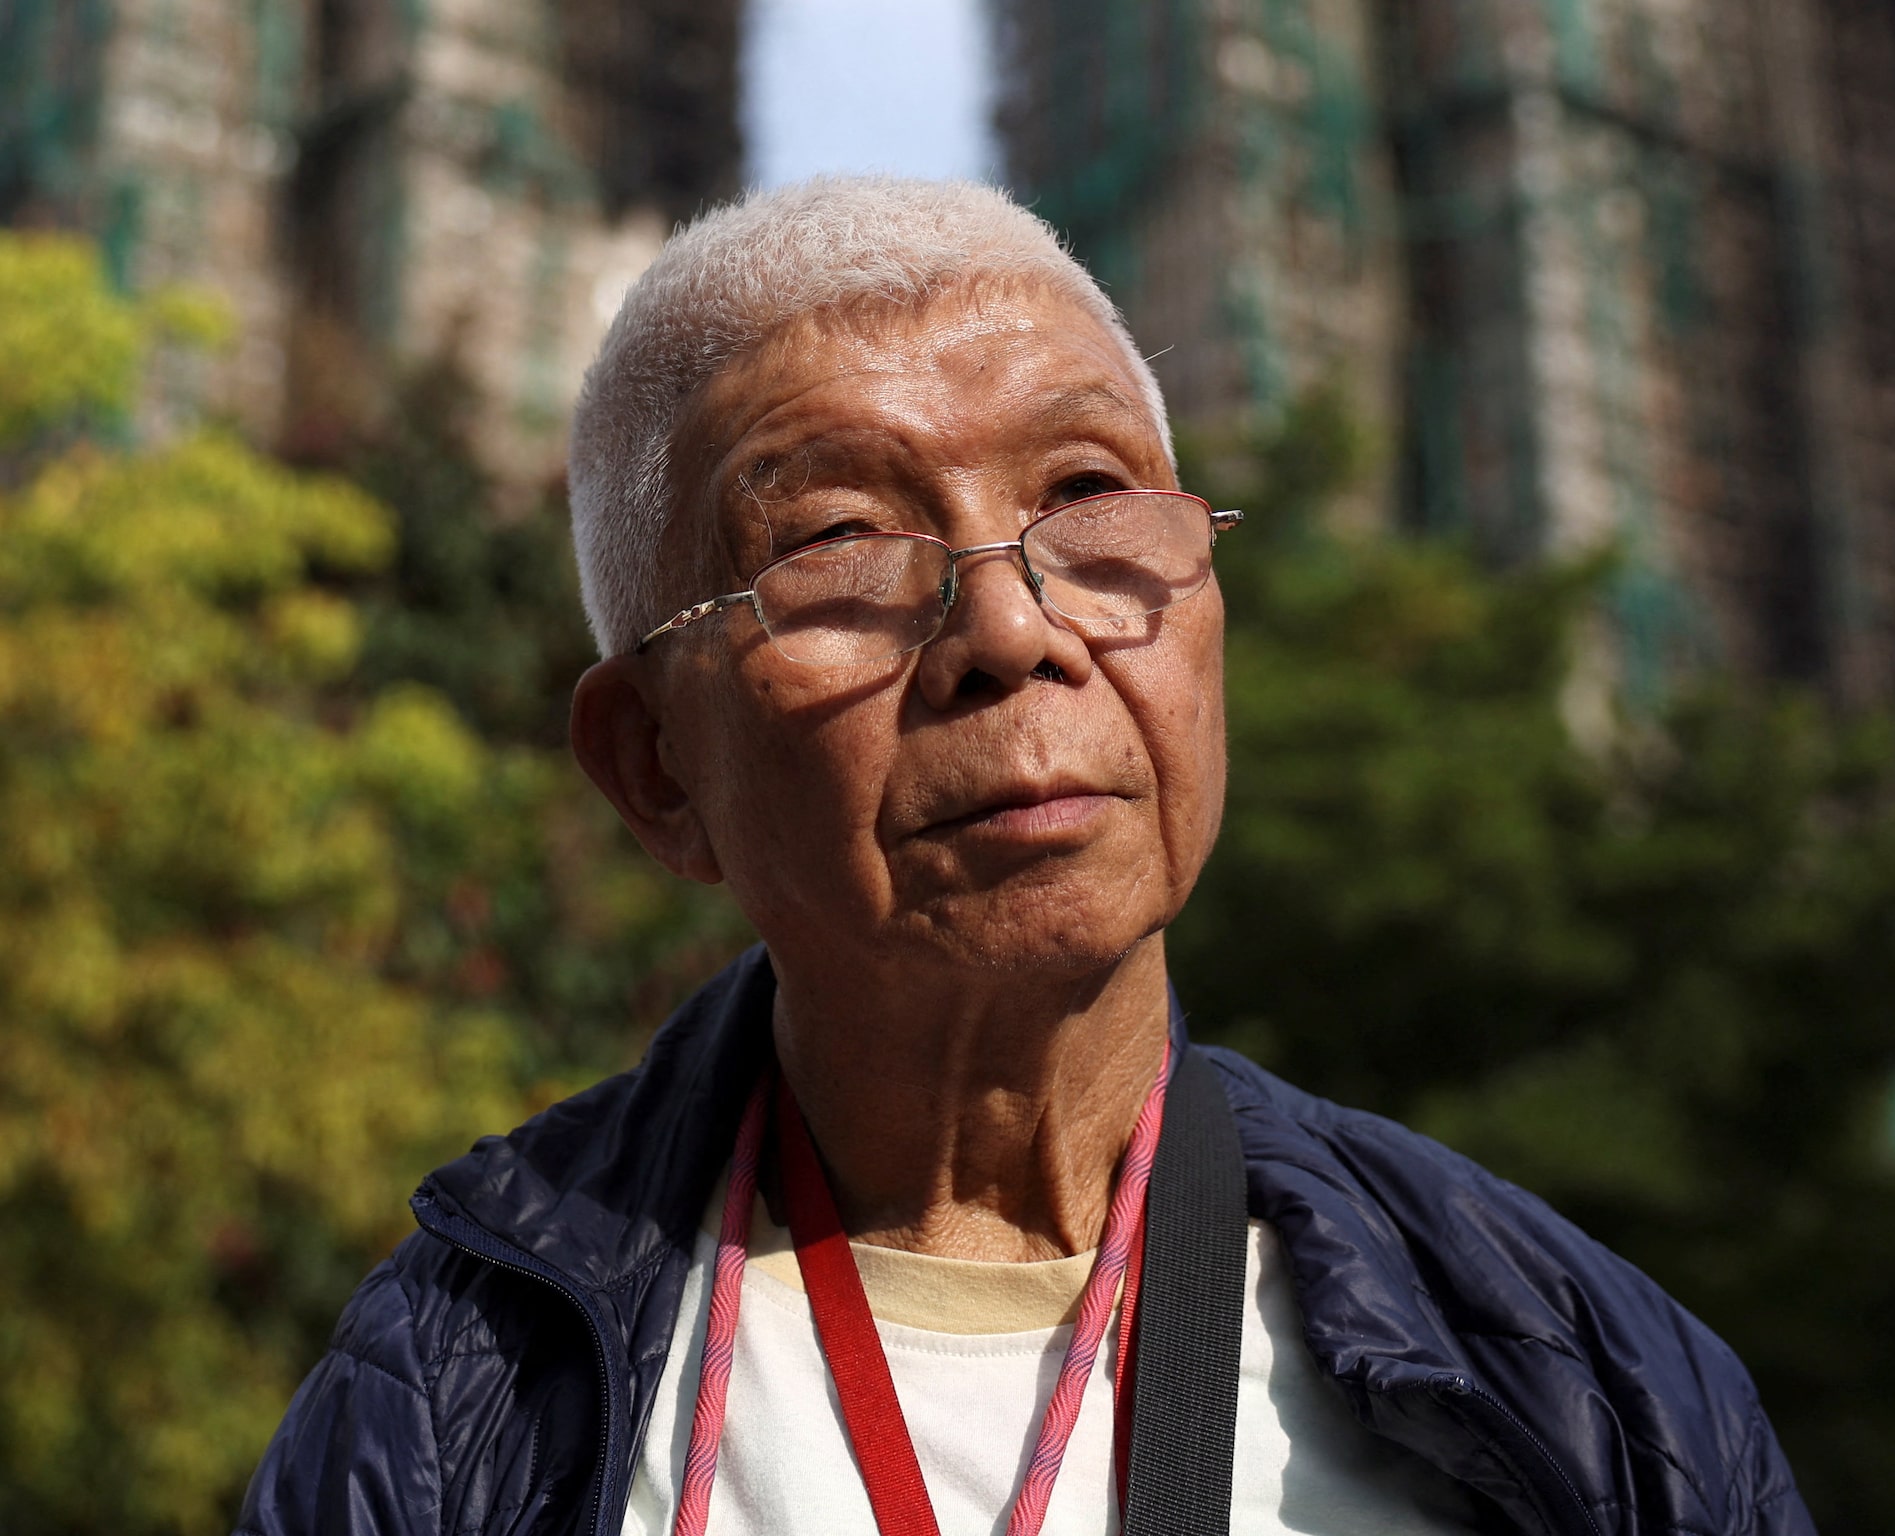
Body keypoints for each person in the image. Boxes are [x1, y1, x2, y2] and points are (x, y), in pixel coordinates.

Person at [238, 175, 1812, 1536]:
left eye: (1087, 499)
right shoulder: (461, 1397)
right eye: (840, 545)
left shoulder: (1580, 1380)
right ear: (656, 765)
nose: (1010, 630)